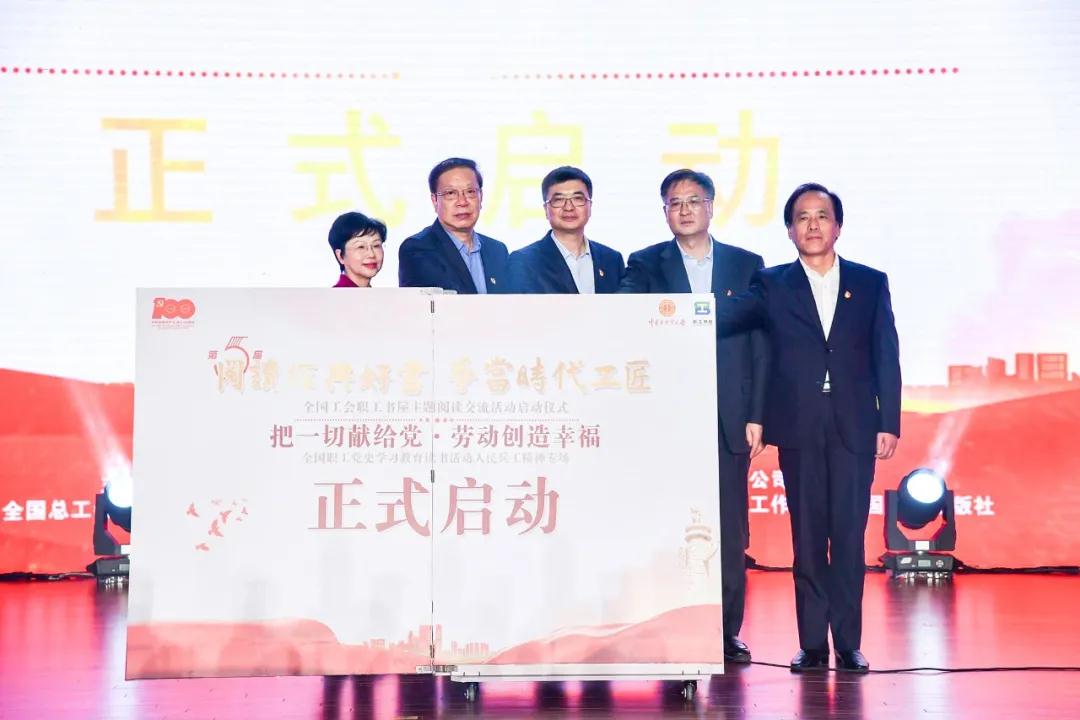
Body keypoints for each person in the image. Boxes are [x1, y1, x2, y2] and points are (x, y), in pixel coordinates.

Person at [717, 182, 901, 673]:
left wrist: (889, 420)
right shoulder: (772, 283)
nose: (813, 225)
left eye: (822, 216)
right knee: (808, 537)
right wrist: (671, 313)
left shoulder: (869, 282)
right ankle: (813, 644)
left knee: (849, 536)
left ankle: (849, 642)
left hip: (854, 426)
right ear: (789, 229)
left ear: (838, 226)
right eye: (803, 217)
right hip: (799, 426)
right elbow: (727, 317)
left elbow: (886, 353)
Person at [619, 169, 768, 665]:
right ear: (664, 211)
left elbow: (760, 342)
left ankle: (726, 633)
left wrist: (756, 412)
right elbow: (630, 317)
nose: (684, 210)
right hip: (667, 416)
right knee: (667, 527)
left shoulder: (747, 264)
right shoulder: (644, 263)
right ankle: (668, 629)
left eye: (693, 201)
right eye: (674, 203)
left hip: (729, 416)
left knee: (729, 532)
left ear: (711, 206)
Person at [398, 157, 509, 293]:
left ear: (481, 196)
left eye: (470, 192)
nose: (462, 202)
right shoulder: (418, 249)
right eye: (450, 193)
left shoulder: (497, 251)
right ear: (435, 201)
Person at [506, 166, 624, 293]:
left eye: (577, 198)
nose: (568, 207)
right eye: (559, 200)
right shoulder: (525, 261)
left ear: (590, 206)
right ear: (546, 209)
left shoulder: (612, 260)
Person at [327, 211, 386, 287]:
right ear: (340, 256)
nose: (371, 254)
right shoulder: (337, 294)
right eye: (361, 247)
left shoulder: (377, 294)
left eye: (376, 245)